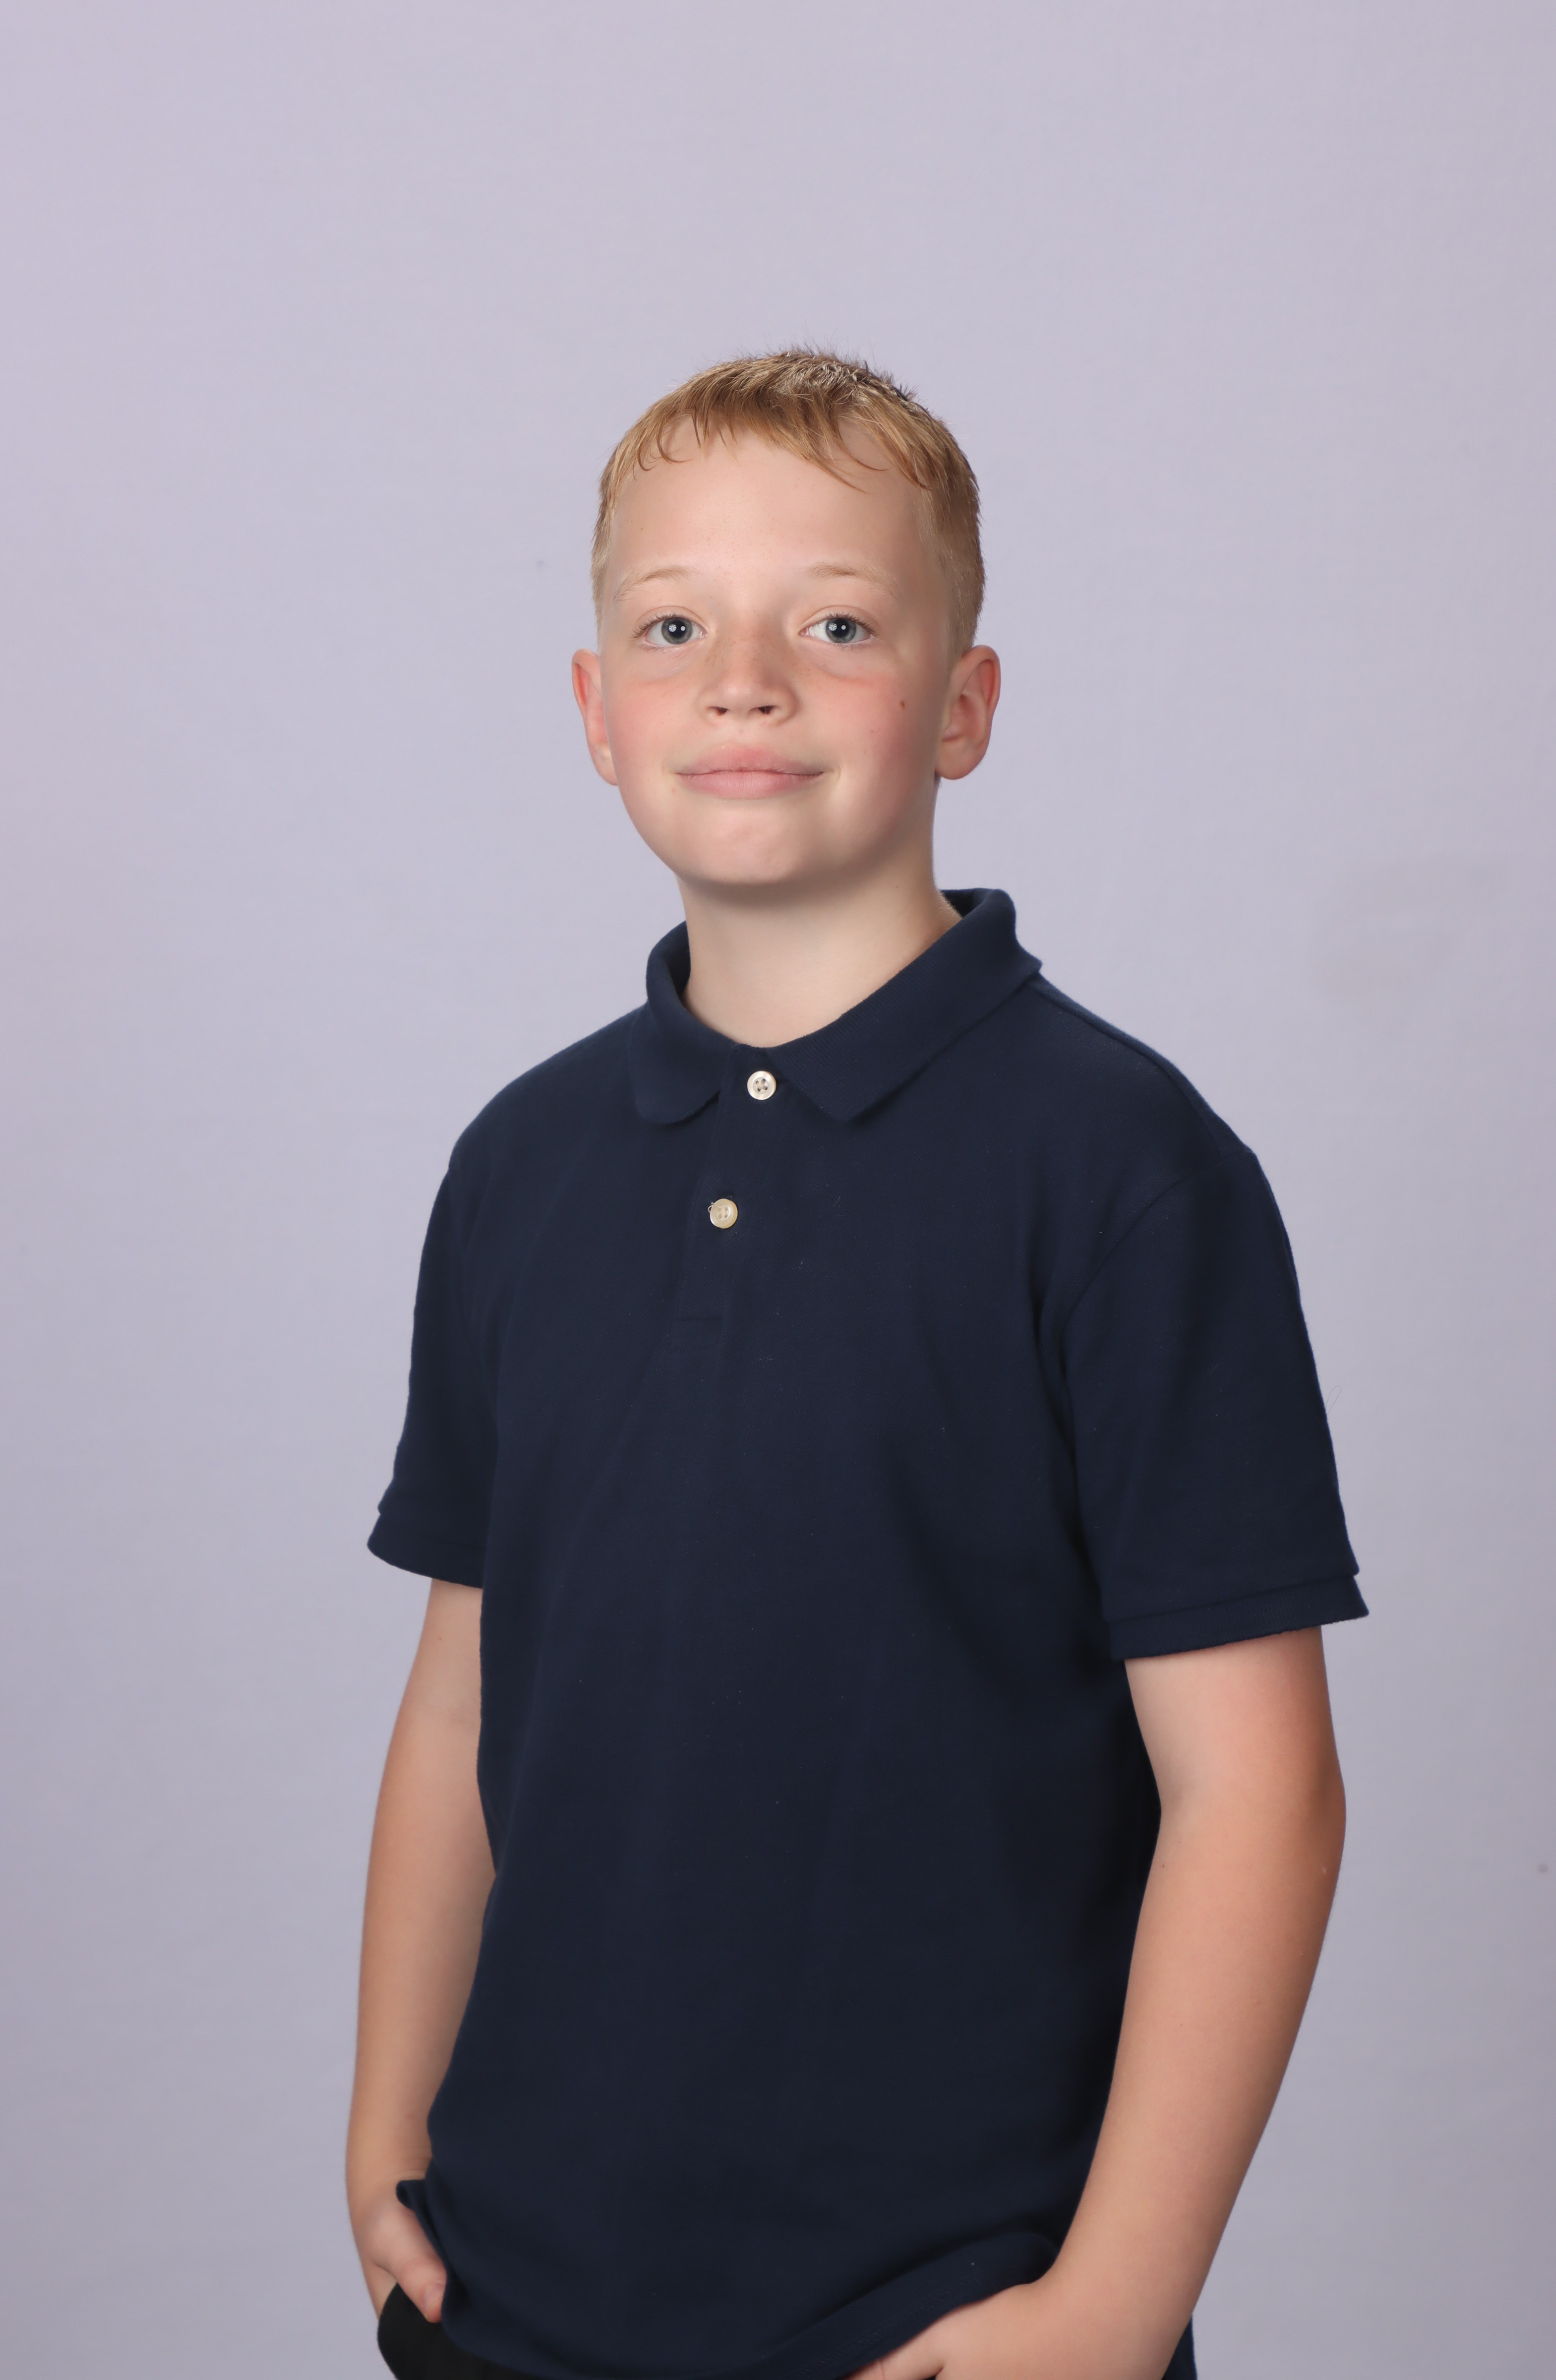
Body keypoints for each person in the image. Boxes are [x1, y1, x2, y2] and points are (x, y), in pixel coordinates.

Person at [348, 351, 1364, 2380]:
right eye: (674, 629)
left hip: (945, 2325)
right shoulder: (518, 1163)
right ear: (595, 710)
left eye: (834, 625)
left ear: (962, 704)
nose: (745, 684)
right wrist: (388, 2131)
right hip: (515, 2297)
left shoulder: (1123, 1171)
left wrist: (1109, 2309)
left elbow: (1256, 1791)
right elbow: (464, 1684)